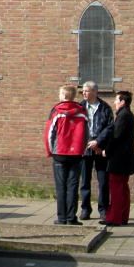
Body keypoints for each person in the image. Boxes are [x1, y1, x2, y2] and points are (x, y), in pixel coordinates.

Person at [45, 84, 88, 225]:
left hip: (59, 153)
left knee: (61, 186)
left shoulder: (56, 111)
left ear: (63, 96)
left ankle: (62, 218)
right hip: (76, 154)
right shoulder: (82, 112)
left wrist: (50, 150)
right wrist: (82, 150)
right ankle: (71, 217)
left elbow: (49, 133)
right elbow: (86, 134)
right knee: (73, 186)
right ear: (74, 96)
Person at [101, 90, 134, 227]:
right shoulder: (129, 115)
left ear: (123, 102)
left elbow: (116, 137)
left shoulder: (123, 116)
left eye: (117, 100)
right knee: (123, 188)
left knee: (116, 188)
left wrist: (106, 150)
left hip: (119, 160)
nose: (115, 102)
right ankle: (122, 216)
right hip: (125, 159)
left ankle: (115, 218)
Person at [78, 81, 114, 222]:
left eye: (86, 91)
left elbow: (110, 128)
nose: (84, 93)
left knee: (103, 181)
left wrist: (98, 142)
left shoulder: (105, 108)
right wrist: (87, 142)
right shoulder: (80, 107)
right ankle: (85, 209)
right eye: (83, 91)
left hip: (100, 149)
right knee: (85, 181)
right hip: (85, 148)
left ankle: (103, 209)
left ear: (94, 91)